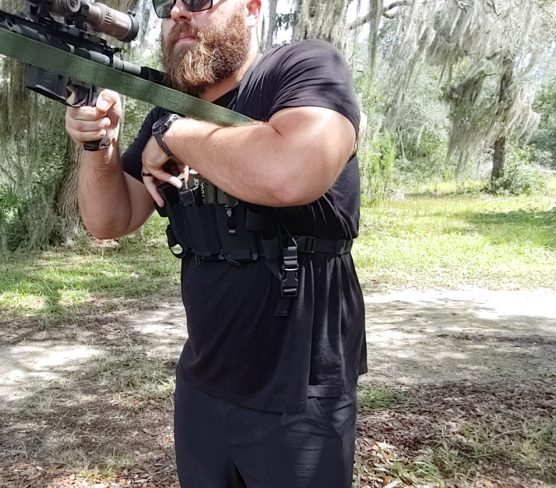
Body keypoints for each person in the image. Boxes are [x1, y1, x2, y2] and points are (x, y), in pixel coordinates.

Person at [64, 0, 366, 485]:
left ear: (252, 8)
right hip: (203, 386)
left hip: (299, 392)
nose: (178, 12)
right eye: (166, 3)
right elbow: (109, 219)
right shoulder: (171, 110)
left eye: (198, 0)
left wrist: (177, 136)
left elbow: (292, 173)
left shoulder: (301, 68)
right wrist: (99, 145)